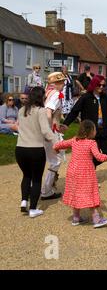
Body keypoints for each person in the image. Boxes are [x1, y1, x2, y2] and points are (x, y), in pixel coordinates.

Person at [54, 120, 107, 228]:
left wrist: (56, 150)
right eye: (95, 129)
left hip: (73, 171)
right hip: (86, 172)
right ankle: (96, 219)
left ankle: (76, 218)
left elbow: (59, 144)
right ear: (91, 131)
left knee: (76, 193)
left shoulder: (74, 140)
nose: (96, 131)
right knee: (90, 193)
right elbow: (98, 156)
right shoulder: (91, 143)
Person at [62, 75, 107, 167]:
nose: (101, 87)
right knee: (91, 154)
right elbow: (74, 111)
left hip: (104, 131)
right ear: (94, 84)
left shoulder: (105, 98)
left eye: (103, 86)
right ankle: (88, 174)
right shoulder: (85, 97)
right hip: (90, 132)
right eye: (99, 85)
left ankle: (89, 166)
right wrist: (66, 124)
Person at [16, 87, 56, 218]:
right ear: (40, 97)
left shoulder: (21, 110)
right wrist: (57, 143)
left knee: (26, 176)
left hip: (20, 149)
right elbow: (45, 131)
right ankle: (33, 209)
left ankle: (24, 201)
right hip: (35, 149)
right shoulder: (41, 111)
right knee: (37, 179)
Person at [41, 72, 66, 201]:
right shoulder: (56, 94)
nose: (63, 84)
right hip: (51, 133)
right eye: (61, 82)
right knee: (55, 161)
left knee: (53, 160)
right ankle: (46, 191)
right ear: (56, 83)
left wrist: (59, 125)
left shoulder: (47, 92)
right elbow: (48, 112)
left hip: (51, 130)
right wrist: (49, 132)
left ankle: (47, 187)